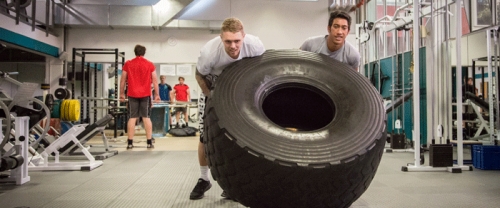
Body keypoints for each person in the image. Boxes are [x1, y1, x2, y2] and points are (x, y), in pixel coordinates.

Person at [190, 17, 265, 200]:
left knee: (242, 138)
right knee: (205, 136)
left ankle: (233, 184)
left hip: (241, 91)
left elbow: (262, 69)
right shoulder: (209, 52)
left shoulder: (255, 46)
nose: (233, 46)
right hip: (213, 89)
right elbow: (199, 74)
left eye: (237, 41)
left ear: (244, 37)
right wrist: (211, 97)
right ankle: (203, 179)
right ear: (221, 38)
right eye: (228, 41)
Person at [119, 44, 160, 149]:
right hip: (145, 95)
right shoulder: (149, 64)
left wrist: (121, 94)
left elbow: (123, 80)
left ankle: (129, 143)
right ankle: (149, 142)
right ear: (144, 53)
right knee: (146, 117)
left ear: (135, 52)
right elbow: (155, 81)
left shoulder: (128, 63)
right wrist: (157, 95)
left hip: (132, 94)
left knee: (132, 118)